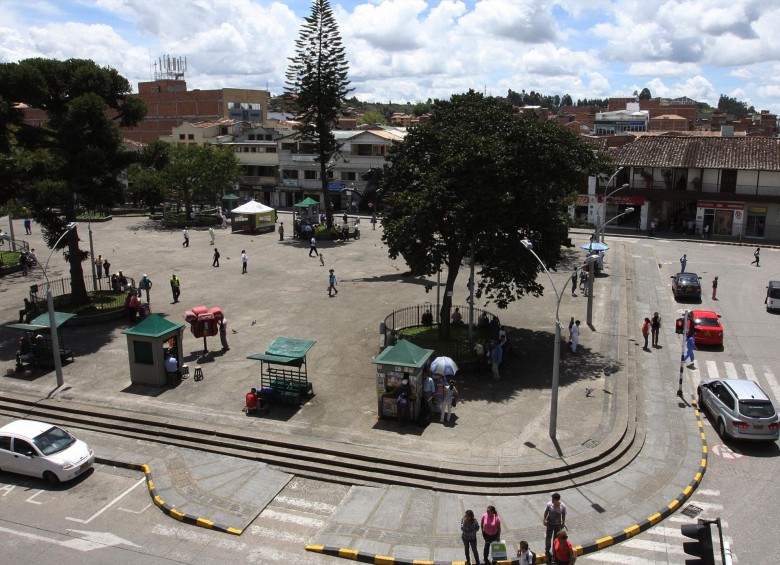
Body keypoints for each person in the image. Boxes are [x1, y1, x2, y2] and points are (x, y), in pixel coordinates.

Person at [543, 493, 567, 560]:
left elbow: (564, 514)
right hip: (550, 524)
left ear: (557, 500)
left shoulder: (563, 506)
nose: (552, 500)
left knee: (556, 539)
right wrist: (544, 520)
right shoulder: (549, 504)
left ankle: (554, 551)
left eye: (553, 499)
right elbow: (546, 512)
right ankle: (547, 550)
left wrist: (563, 522)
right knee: (548, 538)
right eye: (552, 499)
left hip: (557, 525)